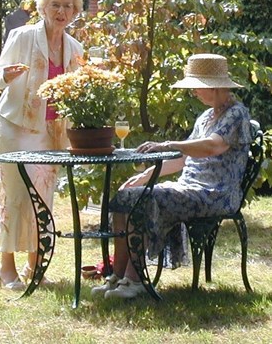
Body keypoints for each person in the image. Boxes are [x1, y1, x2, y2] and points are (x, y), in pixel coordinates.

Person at [91, 53, 252, 299]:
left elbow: (212, 146)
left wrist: (167, 143)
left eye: (197, 88)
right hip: (190, 187)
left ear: (215, 87)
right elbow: (183, 158)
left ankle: (136, 281)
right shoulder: (206, 116)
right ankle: (118, 276)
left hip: (215, 193)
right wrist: (145, 176)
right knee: (126, 197)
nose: (194, 93)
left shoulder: (236, 114)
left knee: (142, 199)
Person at [0, 0, 84, 290]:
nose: (61, 11)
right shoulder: (23, 36)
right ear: (43, 8)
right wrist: (6, 74)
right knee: (14, 195)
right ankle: (6, 270)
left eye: (68, 6)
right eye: (55, 4)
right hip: (16, 127)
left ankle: (34, 266)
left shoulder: (76, 48)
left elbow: (76, 92)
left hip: (52, 133)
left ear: (75, 12)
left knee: (42, 198)